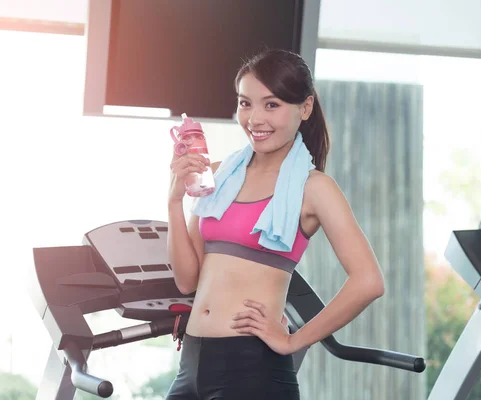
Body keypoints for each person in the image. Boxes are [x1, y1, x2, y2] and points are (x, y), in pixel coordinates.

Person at [165, 48, 385, 400]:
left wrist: (293, 340)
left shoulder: (314, 189)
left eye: (272, 105)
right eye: (245, 103)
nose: (254, 118)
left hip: (252, 371)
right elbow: (187, 279)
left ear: (305, 108)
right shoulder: (218, 175)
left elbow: (369, 282)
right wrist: (175, 201)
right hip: (191, 363)